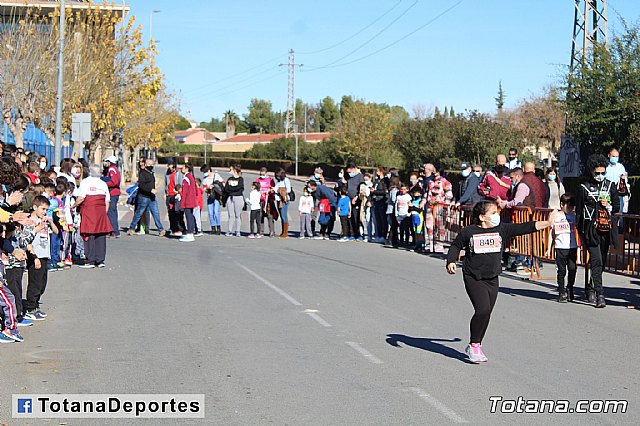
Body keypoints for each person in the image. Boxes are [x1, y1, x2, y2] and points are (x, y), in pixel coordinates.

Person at [446, 200, 556, 363]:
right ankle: (474, 344)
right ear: (482, 217)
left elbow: (525, 227)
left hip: (492, 277)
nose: (497, 216)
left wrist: (548, 222)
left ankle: (476, 344)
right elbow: (455, 246)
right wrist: (451, 261)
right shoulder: (469, 232)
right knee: (482, 309)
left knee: (487, 312)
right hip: (474, 276)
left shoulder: (501, 229)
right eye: (493, 213)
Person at [576, 154, 620, 308]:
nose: (600, 176)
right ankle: (600, 294)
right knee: (596, 260)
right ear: (592, 172)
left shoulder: (610, 185)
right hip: (590, 230)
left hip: (605, 229)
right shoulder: (584, 187)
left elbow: (616, 207)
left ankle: (591, 286)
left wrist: (608, 205)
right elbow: (579, 212)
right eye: (597, 173)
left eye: (603, 173)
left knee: (601, 262)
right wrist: (579, 232)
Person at [23, 196, 57, 320]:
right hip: (35, 255)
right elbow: (27, 241)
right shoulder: (30, 221)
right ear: (35, 207)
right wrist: (34, 257)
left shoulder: (44, 220)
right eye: (42, 209)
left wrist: (50, 221)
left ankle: (36, 305)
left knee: (42, 283)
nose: (44, 212)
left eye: (46, 209)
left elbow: (56, 231)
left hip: (44, 255)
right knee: (35, 283)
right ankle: (30, 307)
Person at [74, 164, 113, 268]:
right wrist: (104, 213)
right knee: (100, 235)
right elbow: (107, 201)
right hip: (100, 211)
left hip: (88, 210)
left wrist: (73, 206)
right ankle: (100, 260)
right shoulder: (103, 184)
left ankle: (90, 260)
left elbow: (81, 198)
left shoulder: (85, 182)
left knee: (89, 234)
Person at [546, 194, 578, 303]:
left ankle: (570, 288)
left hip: (572, 247)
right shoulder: (556, 216)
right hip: (560, 247)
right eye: (568, 206)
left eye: (572, 206)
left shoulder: (573, 217)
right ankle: (561, 291)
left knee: (572, 269)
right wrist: (549, 248)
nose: (570, 208)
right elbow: (551, 233)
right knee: (561, 271)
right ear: (562, 205)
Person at [127, 159, 166, 238]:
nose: (151, 166)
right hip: (144, 197)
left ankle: (161, 230)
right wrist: (150, 190)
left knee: (156, 213)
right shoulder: (142, 173)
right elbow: (141, 185)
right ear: (145, 165)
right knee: (139, 213)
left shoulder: (151, 173)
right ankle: (131, 228)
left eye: (152, 165)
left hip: (152, 197)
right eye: (149, 165)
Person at [424, 167, 453, 253]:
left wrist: (446, 204)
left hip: (440, 206)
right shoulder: (430, 182)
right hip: (430, 206)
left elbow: (449, 194)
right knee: (429, 225)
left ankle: (439, 244)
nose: (434, 173)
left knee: (440, 225)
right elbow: (427, 193)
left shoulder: (445, 182)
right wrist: (424, 201)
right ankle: (430, 243)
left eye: (435, 171)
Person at [202, 166, 224, 235]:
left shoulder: (216, 175)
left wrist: (215, 185)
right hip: (210, 196)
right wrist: (208, 188)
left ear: (209, 170)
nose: (204, 173)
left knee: (216, 212)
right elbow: (204, 188)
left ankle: (218, 228)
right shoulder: (205, 179)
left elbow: (222, 184)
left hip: (216, 196)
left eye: (205, 171)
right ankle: (213, 228)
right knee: (210, 213)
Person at [102, 156, 121, 238]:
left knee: (111, 212)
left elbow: (114, 182)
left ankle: (113, 230)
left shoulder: (111, 169)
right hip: (115, 193)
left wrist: (104, 184)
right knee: (113, 212)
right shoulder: (115, 169)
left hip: (112, 193)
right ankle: (114, 230)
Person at [179, 164, 198, 242]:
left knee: (188, 217)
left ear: (187, 169)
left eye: (183, 167)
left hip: (188, 200)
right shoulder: (191, 177)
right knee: (190, 216)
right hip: (192, 200)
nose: (181, 169)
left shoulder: (186, 178)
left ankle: (190, 233)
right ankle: (191, 232)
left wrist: (182, 204)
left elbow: (184, 192)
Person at [345, 163, 365, 241]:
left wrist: (356, 198)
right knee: (350, 217)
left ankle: (358, 234)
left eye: (350, 172)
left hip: (356, 200)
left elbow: (361, 189)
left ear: (353, 169)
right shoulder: (348, 177)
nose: (349, 174)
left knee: (356, 217)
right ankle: (352, 233)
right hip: (349, 199)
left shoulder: (360, 176)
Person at [224, 164, 244, 237]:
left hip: (238, 197)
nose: (230, 171)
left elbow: (240, 188)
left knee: (237, 215)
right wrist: (233, 189)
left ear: (235, 170)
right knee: (230, 215)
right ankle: (229, 230)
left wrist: (231, 188)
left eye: (231, 169)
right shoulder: (229, 179)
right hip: (230, 198)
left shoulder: (240, 179)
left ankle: (238, 231)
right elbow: (226, 188)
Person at [255, 168, 276, 237]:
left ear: (266, 173)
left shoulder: (270, 179)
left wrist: (269, 190)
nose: (262, 175)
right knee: (260, 215)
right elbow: (255, 188)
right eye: (261, 174)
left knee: (270, 216)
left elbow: (273, 188)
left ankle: (272, 231)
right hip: (260, 200)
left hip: (268, 200)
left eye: (263, 174)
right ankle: (261, 231)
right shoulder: (258, 180)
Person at [371, 167, 389, 243]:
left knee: (383, 219)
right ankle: (378, 235)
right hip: (376, 201)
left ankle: (383, 236)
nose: (376, 172)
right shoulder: (376, 181)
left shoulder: (385, 181)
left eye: (377, 171)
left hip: (382, 201)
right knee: (377, 219)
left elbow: (385, 192)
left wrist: (375, 191)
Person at [274, 167, 291, 239]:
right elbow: (275, 188)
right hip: (278, 199)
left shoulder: (286, 180)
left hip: (284, 200)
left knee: (284, 215)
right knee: (281, 215)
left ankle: (285, 232)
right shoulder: (279, 181)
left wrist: (279, 190)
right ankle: (283, 231)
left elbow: (288, 190)